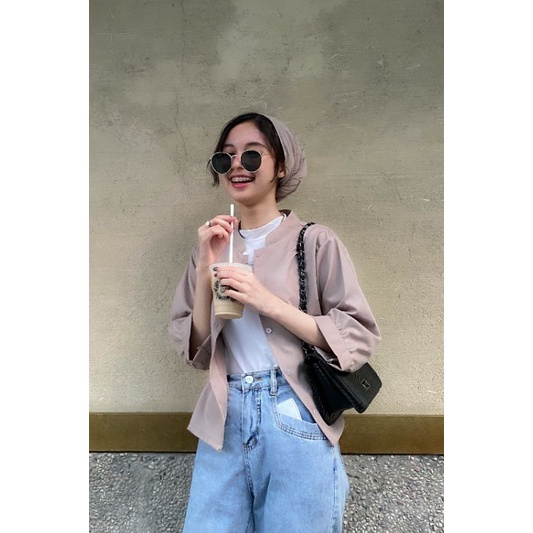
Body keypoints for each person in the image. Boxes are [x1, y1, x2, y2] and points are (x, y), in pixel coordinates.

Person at [169, 112, 381, 532]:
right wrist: (205, 270)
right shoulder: (212, 246)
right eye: (225, 157)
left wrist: (266, 301)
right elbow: (195, 352)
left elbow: (358, 335)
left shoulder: (314, 241)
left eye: (252, 155)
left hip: (291, 406)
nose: (237, 166)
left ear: (281, 166)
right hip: (224, 414)